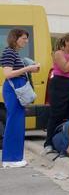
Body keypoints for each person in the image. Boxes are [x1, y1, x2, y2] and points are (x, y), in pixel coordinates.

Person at [1, 29, 40, 168]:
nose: (26, 41)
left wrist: (30, 68)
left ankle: (14, 158)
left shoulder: (12, 53)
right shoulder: (9, 52)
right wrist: (28, 68)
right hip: (13, 90)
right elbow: (8, 73)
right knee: (14, 123)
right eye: (23, 38)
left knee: (17, 123)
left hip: (15, 89)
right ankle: (10, 159)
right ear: (15, 38)